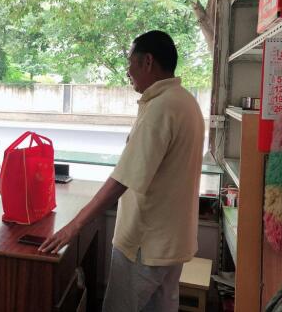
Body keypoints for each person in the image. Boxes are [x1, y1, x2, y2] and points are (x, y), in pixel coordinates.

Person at [39, 30, 205, 312]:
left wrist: (73, 227)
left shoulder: (160, 108)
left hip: (145, 243)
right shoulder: (186, 101)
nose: (128, 71)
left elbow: (122, 179)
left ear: (147, 61)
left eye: (130, 62)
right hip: (172, 243)